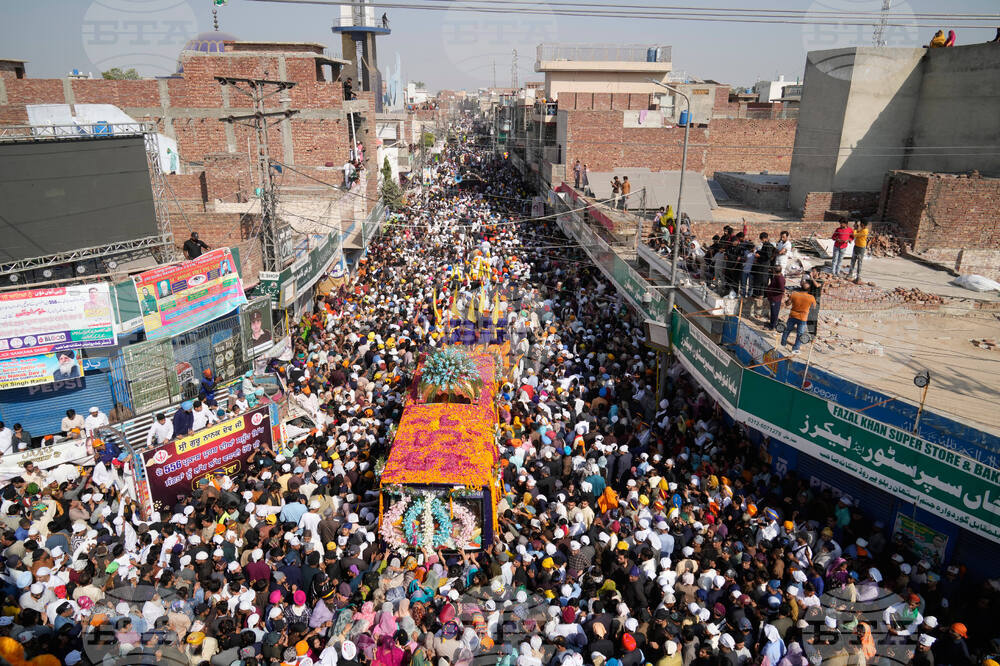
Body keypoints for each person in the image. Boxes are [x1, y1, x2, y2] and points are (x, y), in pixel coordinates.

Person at [781, 278, 817, 354]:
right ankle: (795, 349)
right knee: (800, 334)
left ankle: (783, 343)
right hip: (803, 318)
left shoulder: (794, 294)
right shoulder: (811, 298)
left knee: (787, 330)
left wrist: (788, 298)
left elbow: (787, 304)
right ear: (809, 290)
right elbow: (813, 309)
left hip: (792, 316)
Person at [764, 265, 786, 330]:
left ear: (774, 271)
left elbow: (782, 290)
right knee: (772, 312)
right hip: (773, 297)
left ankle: (772, 326)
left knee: (774, 313)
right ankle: (771, 323)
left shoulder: (779, 279)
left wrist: (772, 292)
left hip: (775, 298)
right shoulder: (777, 276)